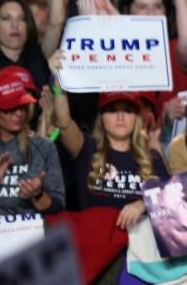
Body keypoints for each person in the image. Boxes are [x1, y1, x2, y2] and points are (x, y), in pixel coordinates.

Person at [51, 81, 169, 226]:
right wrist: (58, 82)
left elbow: (172, 199)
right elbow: (63, 123)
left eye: (127, 110)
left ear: (136, 118)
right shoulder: (87, 147)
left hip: (139, 245)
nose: (120, 117)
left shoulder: (152, 158)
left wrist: (144, 203)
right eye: (113, 110)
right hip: (96, 243)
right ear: (102, 117)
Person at [0, 66, 64, 214]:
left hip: (30, 235)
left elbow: (58, 208)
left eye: (22, 106)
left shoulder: (43, 147)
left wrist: (37, 196)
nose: (19, 113)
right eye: (10, 107)